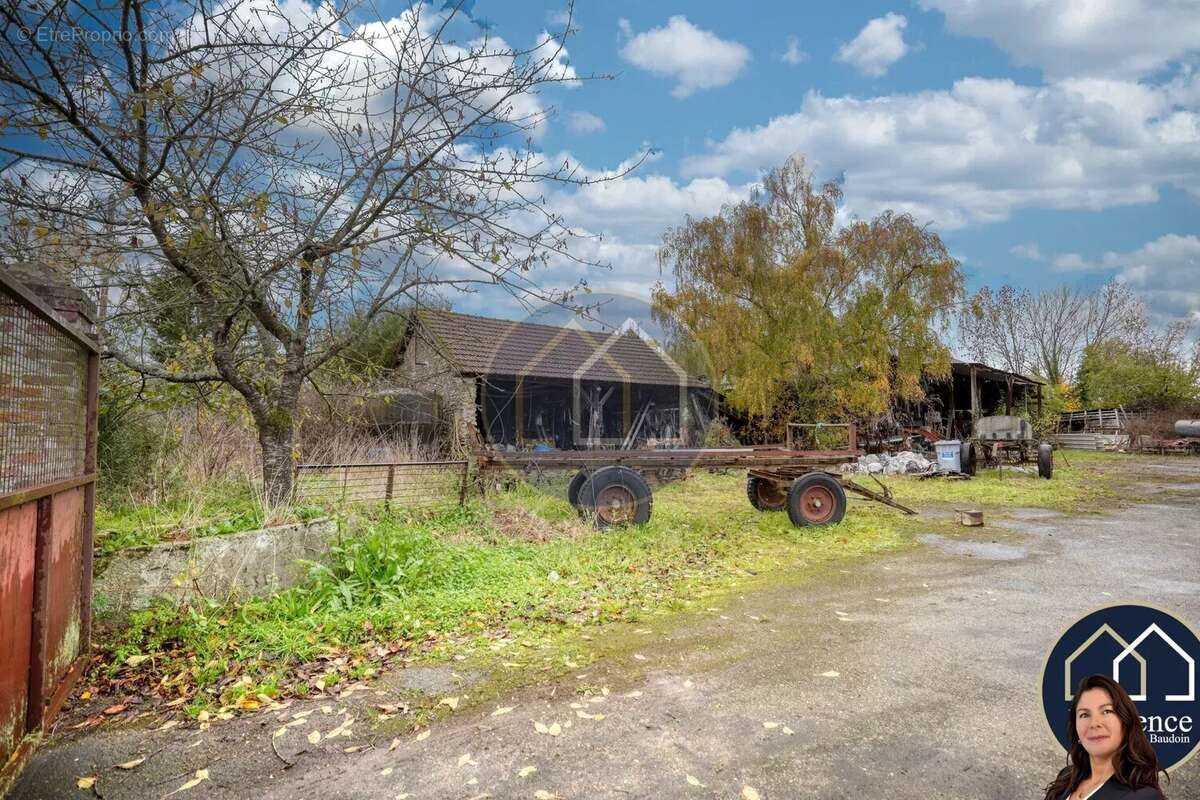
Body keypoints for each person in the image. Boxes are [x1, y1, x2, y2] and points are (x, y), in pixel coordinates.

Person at [1043, 674, 1168, 800]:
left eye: (1107, 711)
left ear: (1125, 721)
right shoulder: (1066, 778)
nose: (1094, 723)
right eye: (1084, 714)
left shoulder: (1142, 796)